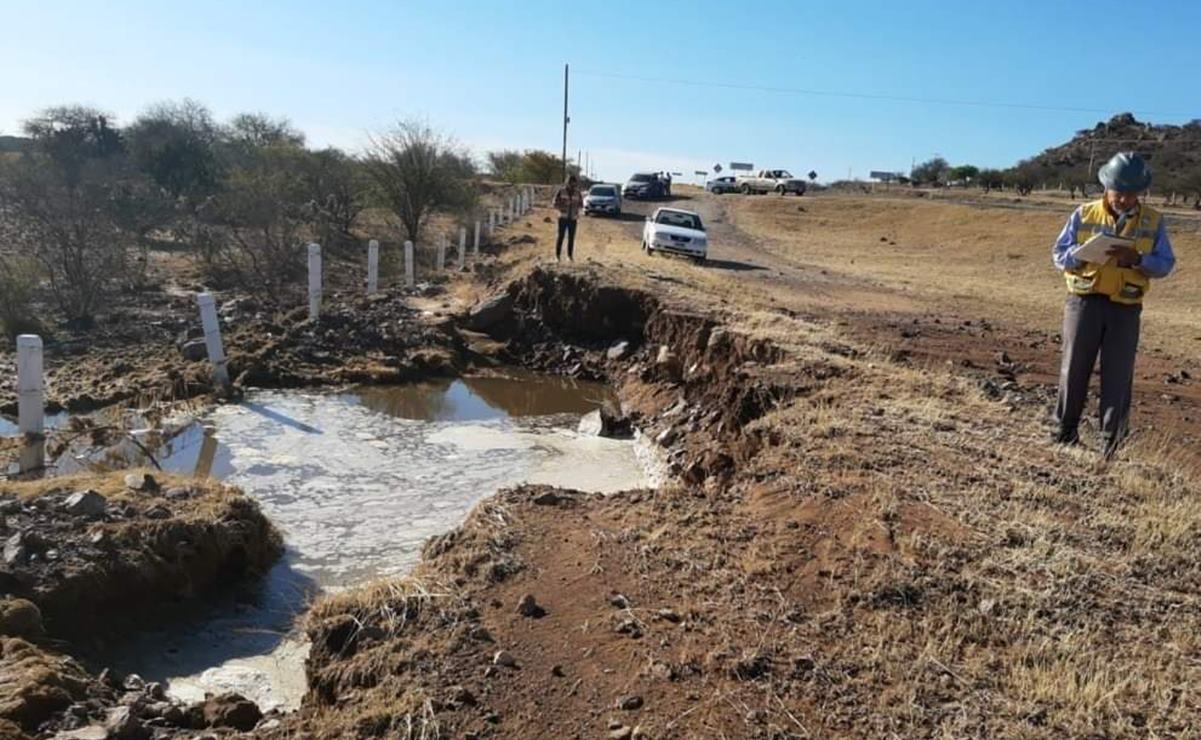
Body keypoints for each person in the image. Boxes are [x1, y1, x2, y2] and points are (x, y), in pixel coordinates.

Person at [1051, 152, 1176, 458]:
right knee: (1074, 369)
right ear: (1106, 186)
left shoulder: (1153, 221)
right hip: (1084, 301)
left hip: (1125, 307)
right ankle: (1064, 432)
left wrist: (1138, 260)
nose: (1125, 199)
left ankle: (1111, 443)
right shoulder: (1084, 213)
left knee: (1118, 375)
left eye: (1132, 193)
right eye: (1119, 192)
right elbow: (1059, 254)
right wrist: (1082, 254)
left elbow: (1165, 263)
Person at [552, 175, 584, 261]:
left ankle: (569, 256)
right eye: (571, 183)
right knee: (560, 237)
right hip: (563, 217)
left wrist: (578, 213)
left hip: (573, 218)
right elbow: (555, 203)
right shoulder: (561, 191)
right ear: (567, 183)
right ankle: (557, 256)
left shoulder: (578, 193)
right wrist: (561, 209)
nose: (572, 185)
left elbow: (581, 205)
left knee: (571, 238)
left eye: (574, 183)